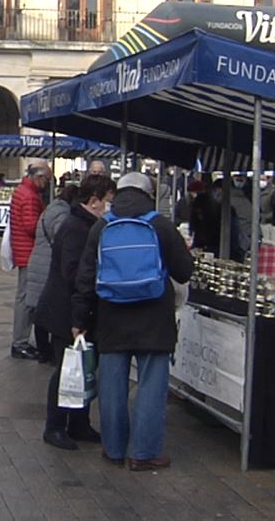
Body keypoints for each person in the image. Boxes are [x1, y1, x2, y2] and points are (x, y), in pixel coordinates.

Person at [73, 172, 194, 471]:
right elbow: (184, 272)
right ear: (148, 193)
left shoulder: (102, 225)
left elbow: (86, 276)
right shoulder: (160, 224)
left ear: (118, 192)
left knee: (112, 386)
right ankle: (144, 453)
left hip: (112, 316)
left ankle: (113, 449)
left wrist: (80, 318)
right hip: (154, 318)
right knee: (151, 387)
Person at [38, 174, 115, 451]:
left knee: (82, 367)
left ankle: (79, 423)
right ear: (93, 201)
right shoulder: (75, 227)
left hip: (78, 309)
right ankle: (55, 426)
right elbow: (73, 273)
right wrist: (78, 315)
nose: (110, 207)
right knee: (65, 369)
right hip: (65, 311)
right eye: (108, 201)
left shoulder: (89, 225)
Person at [24, 184, 80, 364]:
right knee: (46, 309)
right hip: (47, 264)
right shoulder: (62, 215)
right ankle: (46, 352)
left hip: (38, 260)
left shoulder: (50, 209)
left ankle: (43, 351)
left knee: (40, 309)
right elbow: (60, 237)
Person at [9, 163, 51, 360]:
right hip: (28, 251)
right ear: (39, 178)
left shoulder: (21, 190)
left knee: (23, 296)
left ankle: (21, 340)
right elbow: (30, 226)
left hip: (21, 249)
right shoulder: (30, 197)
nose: (47, 184)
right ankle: (20, 342)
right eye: (47, 180)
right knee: (26, 299)